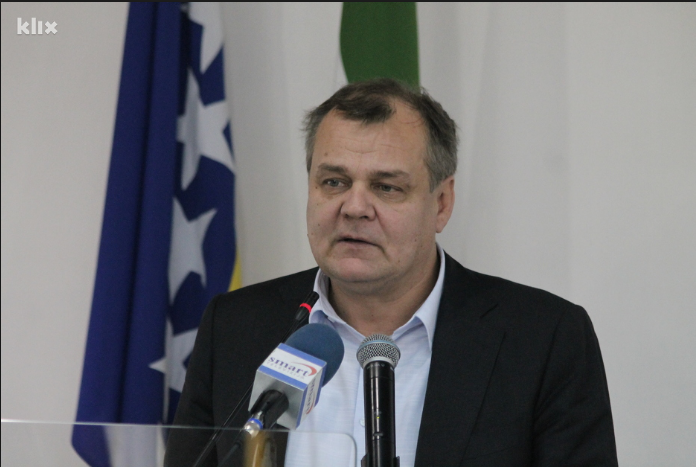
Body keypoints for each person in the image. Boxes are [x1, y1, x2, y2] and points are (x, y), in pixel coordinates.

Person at [166, 78, 618, 466]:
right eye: (334, 182)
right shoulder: (235, 327)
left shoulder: (543, 339)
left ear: (442, 204)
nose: (354, 207)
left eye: (386, 187)